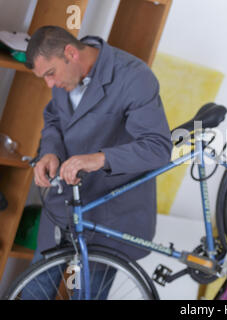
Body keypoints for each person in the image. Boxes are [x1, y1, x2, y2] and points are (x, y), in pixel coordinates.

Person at [22, 26, 173, 299]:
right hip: (63, 209)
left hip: (109, 214)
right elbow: (55, 119)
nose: (49, 84)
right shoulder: (64, 77)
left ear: (70, 53)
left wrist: (100, 159)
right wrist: (50, 152)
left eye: (50, 74)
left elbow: (158, 148)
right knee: (33, 292)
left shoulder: (134, 78)